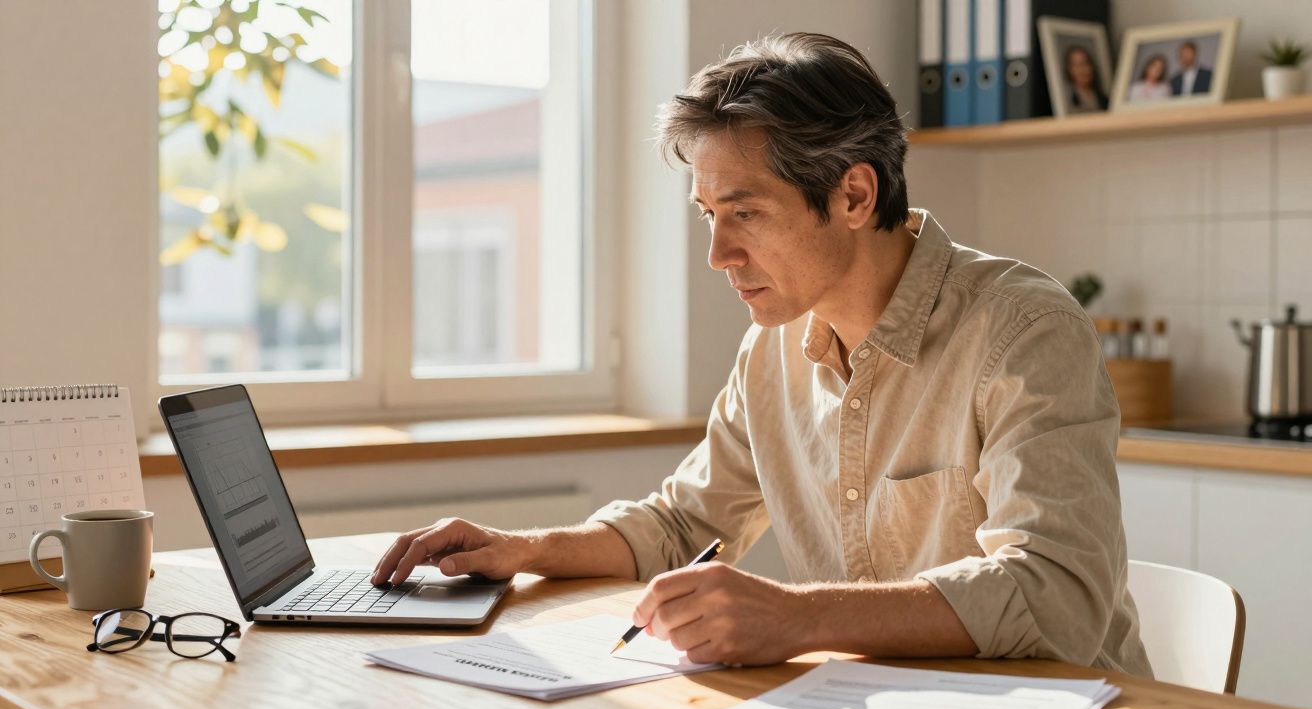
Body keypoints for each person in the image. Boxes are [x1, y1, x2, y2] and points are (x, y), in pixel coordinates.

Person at [372, 32, 1152, 676]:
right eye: (708, 213)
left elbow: (1054, 595)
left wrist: (794, 616)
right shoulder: (771, 349)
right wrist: (523, 549)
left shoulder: (1022, 332)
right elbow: (684, 524)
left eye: (744, 212)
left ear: (854, 195)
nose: (717, 253)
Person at [1063, 44, 1108, 112]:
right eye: (1076, 65)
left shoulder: (1104, 99)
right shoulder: (1067, 101)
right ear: (1069, 70)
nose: (1082, 69)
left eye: (1085, 63)